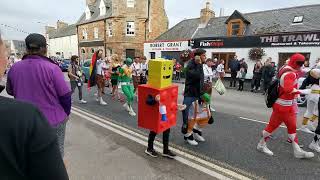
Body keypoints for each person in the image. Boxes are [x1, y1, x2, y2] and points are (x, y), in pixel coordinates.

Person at [0, 32, 69, 180]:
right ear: (44, 49)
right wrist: (66, 113)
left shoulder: (15, 68)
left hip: (21, 122)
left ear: (26, 48)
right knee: (57, 155)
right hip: (54, 120)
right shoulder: (53, 68)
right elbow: (65, 95)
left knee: (25, 159)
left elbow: (10, 90)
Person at [256, 53, 314, 159]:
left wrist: (310, 71)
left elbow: (300, 72)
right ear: (297, 63)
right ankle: (261, 144)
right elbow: (288, 90)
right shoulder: (290, 74)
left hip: (286, 105)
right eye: (301, 63)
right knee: (272, 127)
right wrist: (304, 91)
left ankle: (297, 150)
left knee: (291, 127)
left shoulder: (286, 68)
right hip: (283, 106)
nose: (302, 66)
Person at [181, 48, 205, 135]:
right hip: (190, 93)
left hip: (197, 93)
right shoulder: (190, 65)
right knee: (185, 109)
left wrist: (202, 93)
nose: (205, 57)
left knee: (197, 113)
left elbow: (201, 80)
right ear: (198, 56)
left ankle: (194, 130)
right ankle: (185, 125)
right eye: (203, 55)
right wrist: (198, 64)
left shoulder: (200, 65)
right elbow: (197, 76)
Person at [299, 69, 320, 133]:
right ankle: (309, 124)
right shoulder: (316, 71)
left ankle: (305, 125)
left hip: (312, 92)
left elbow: (306, 80)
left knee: (310, 111)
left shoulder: (315, 71)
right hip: (316, 94)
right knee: (315, 111)